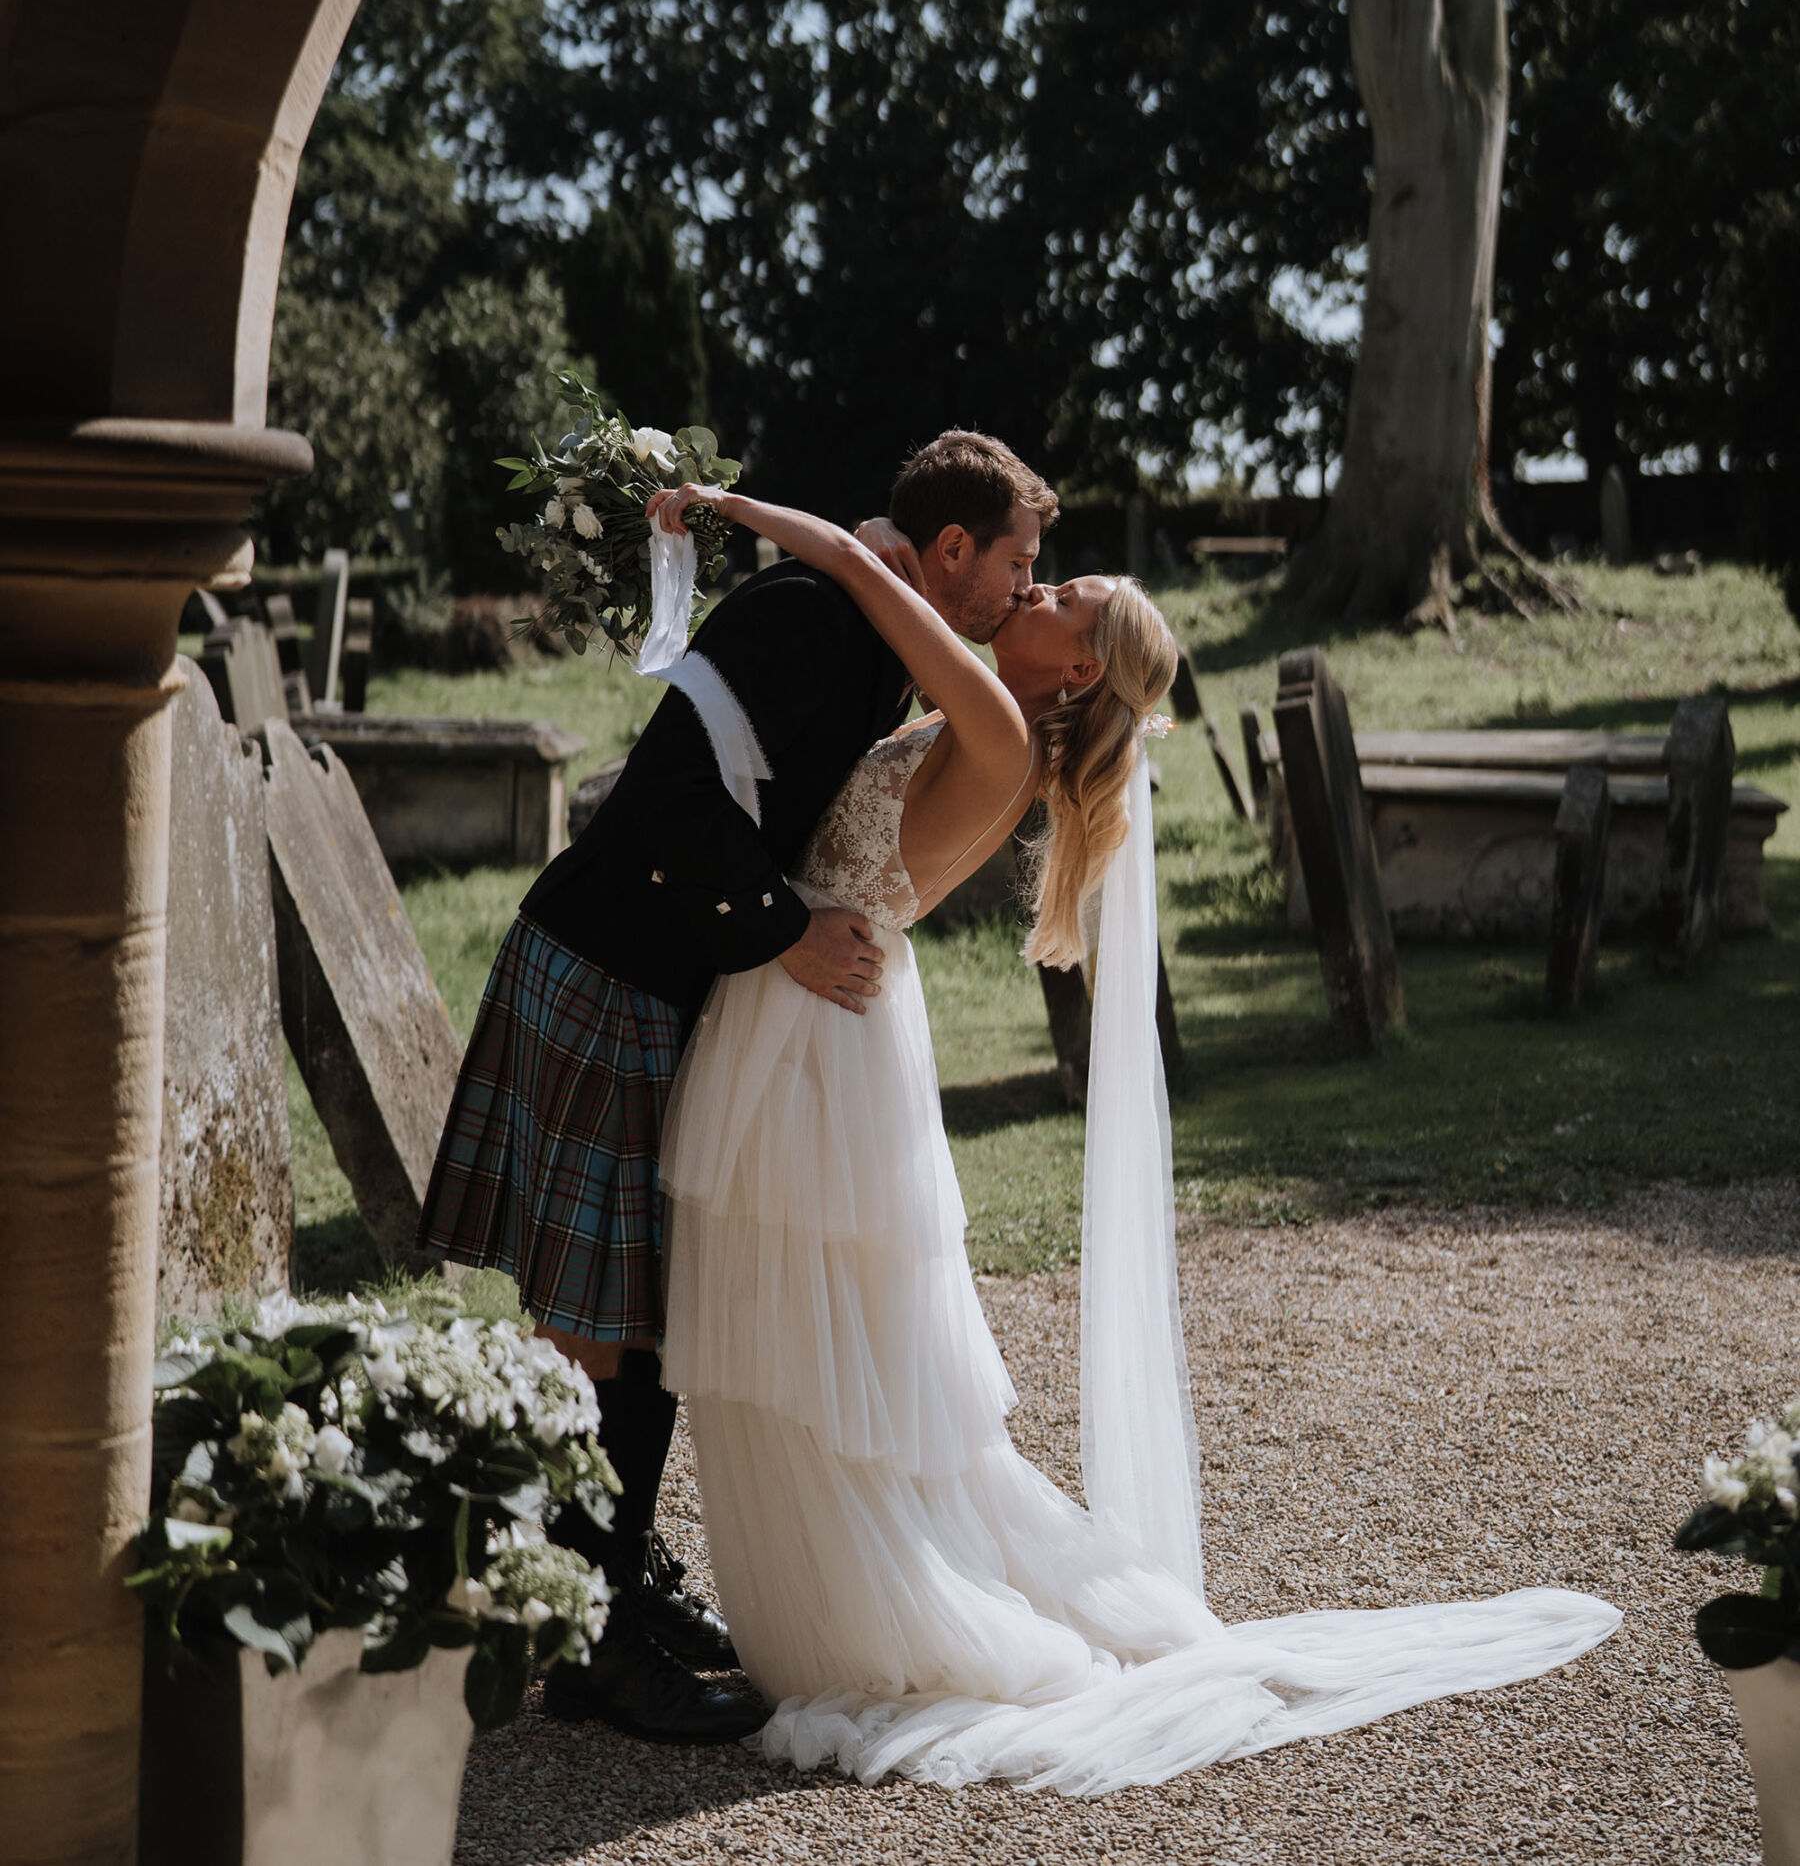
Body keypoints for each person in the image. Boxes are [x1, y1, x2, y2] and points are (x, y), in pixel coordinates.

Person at [650, 478, 1621, 1794]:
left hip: (816, 1035)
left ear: (1078, 669)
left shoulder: (993, 721)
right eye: (1042, 577)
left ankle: (872, 1615)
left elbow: (864, 571)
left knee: (819, 1356)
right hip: (816, 1013)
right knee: (816, 1349)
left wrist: (712, 498)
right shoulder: (993, 726)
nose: (1033, 593)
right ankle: (837, 1597)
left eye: (1061, 598)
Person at [416, 430, 1057, 1741]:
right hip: (608, 967)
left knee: (635, 1321)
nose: (1019, 589)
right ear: (949, 551)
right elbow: (659, 797)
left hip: (655, 980)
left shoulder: (871, 634)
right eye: (1015, 564)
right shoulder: (814, 620)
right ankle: (573, 1634)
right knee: (605, 1327)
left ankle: (604, 1586)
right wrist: (780, 926)